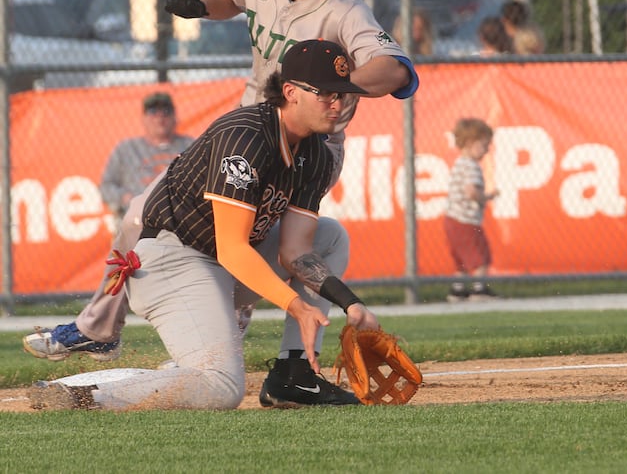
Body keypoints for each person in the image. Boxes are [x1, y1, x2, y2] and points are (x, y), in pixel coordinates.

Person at [22, 0, 418, 407]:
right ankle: (103, 329)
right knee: (145, 219)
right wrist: (203, 8)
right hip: (251, 136)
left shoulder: (342, 11)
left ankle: (289, 368)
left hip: (300, 129)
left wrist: (331, 88)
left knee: (323, 239)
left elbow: (396, 69)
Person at [27, 39, 381, 411]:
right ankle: (83, 394)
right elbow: (232, 247)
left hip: (221, 266)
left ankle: (294, 375)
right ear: (290, 92)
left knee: (330, 235)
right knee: (222, 386)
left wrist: (350, 304)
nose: (338, 104)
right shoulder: (246, 137)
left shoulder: (316, 155)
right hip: (172, 258)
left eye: (343, 94)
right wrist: (296, 306)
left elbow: (295, 252)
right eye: (326, 93)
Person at [99, 92, 193, 231]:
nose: (160, 117)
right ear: (143, 119)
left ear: (175, 117)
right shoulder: (126, 149)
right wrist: (124, 198)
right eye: (153, 111)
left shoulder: (190, 146)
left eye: (166, 111)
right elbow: (105, 187)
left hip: (181, 222)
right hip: (137, 222)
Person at [444, 118, 498, 302]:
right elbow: (471, 191)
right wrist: (486, 197)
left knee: (461, 259)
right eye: (484, 145)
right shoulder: (471, 166)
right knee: (481, 255)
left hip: (451, 219)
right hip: (465, 220)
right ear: (470, 143)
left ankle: (457, 290)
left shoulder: (459, 163)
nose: (487, 150)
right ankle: (479, 289)